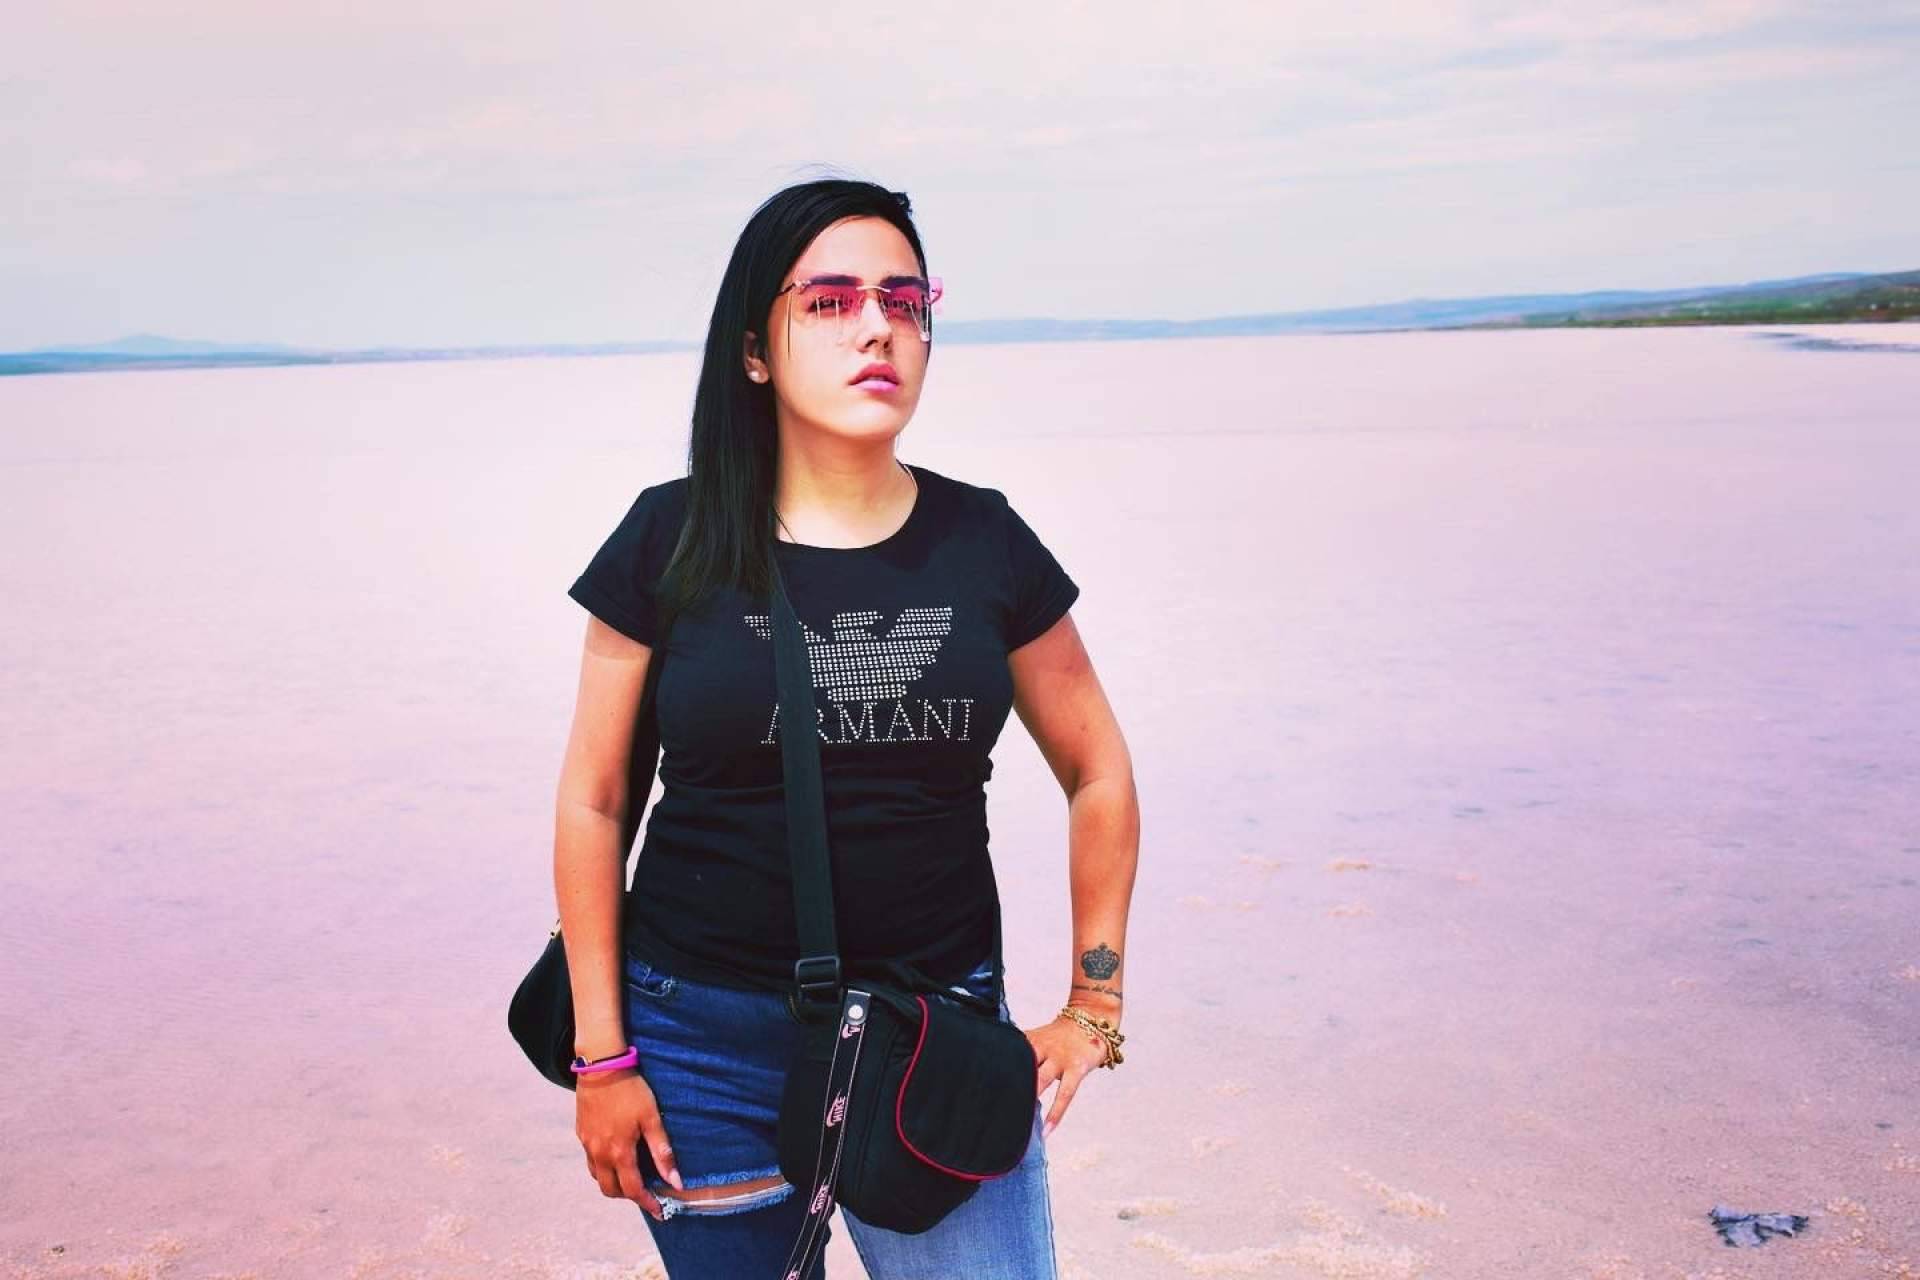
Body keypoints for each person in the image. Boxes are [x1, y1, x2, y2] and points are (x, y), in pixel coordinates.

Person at [551, 177, 1140, 1278]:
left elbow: (1096, 767)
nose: (879, 326)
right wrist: (602, 1057)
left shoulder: (985, 541)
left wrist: (1093, 1003)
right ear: (754, 351)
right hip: (696, 1046)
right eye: (830, 300)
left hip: (933, 1038)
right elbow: (594, 799)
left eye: (905, 300)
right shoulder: (671, 537)